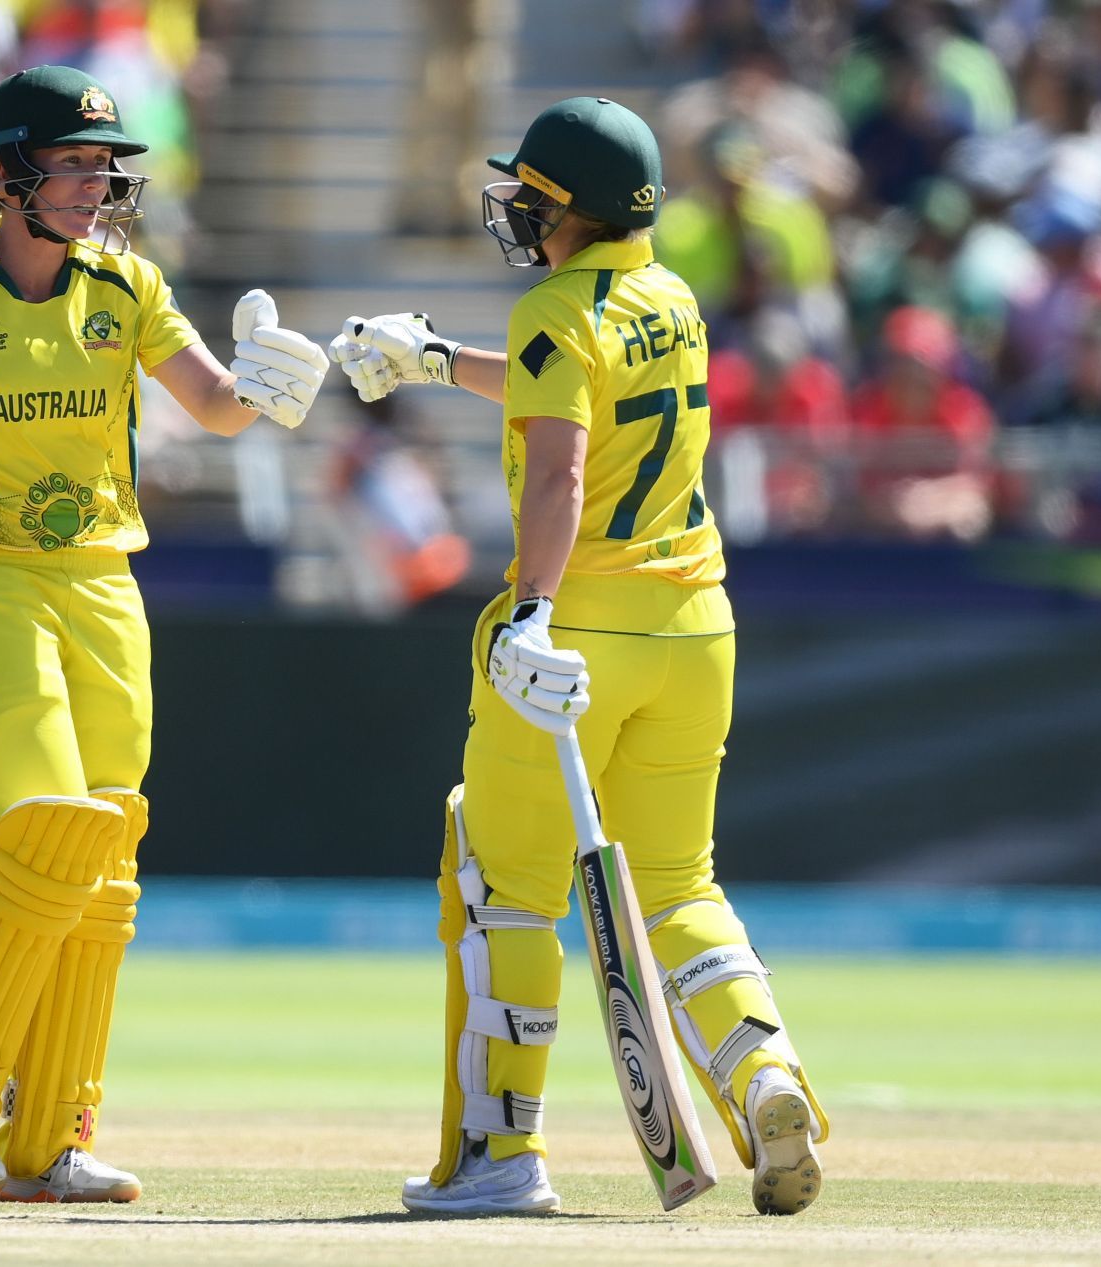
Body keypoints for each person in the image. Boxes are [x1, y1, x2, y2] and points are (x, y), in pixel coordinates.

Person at [0, 66, 327, 1205]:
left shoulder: (125, 289)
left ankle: (54, 1134)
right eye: (73, 164)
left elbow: (215, 401)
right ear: (3, 177)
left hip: (103, 589)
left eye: (102, 166)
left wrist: (270, 390)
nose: (96, 184)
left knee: (105, 855)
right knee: (43, 822)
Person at [330, 95, 829, 1217]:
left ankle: (501, 1155)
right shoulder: (674, 297)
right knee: (680, 885)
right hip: (696, 628)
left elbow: (559, 470)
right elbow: (578, 392)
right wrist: (434, 358)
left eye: (533, 194)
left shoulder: (555, 306)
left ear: (574, 208)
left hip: (578, 632)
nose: (518, 207)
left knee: (506, 883)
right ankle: (765, 1079)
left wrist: (531, 613)